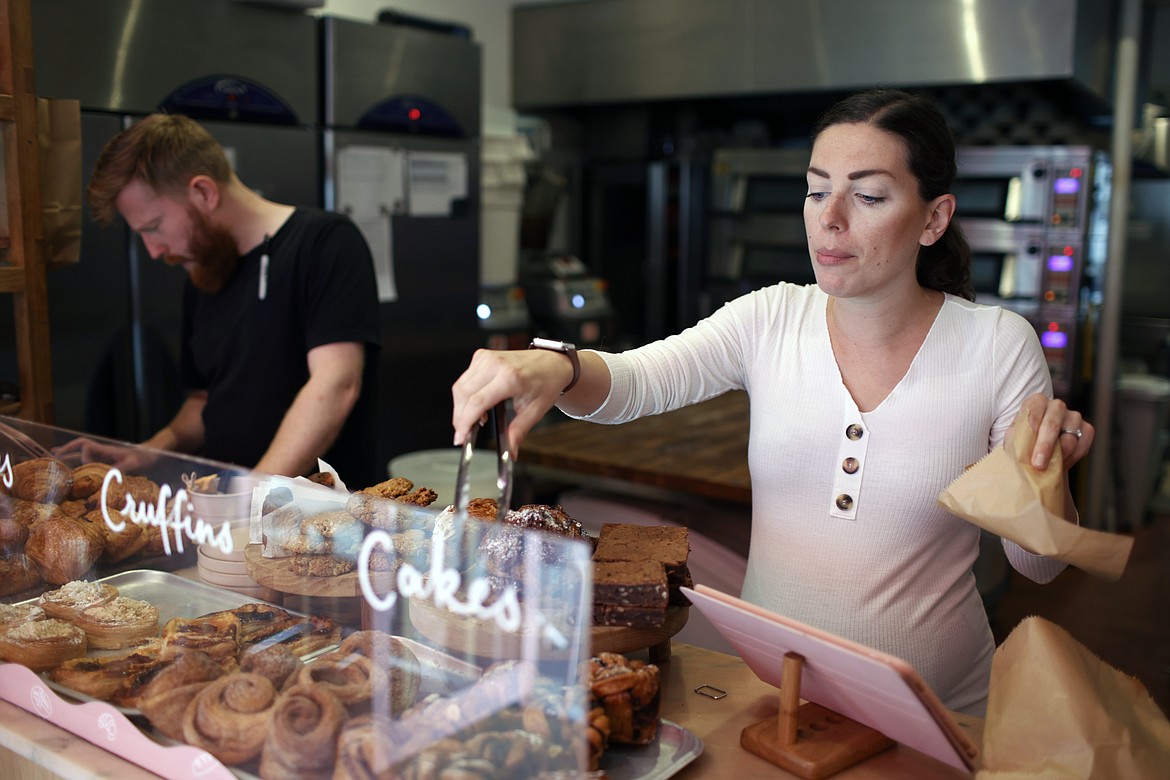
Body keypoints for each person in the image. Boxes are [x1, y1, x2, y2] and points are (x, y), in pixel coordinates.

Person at [451, 88, 1095, 716]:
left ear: (934, 218)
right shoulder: (772, 317)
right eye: (817, 190)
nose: (830, 217)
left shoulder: (996, 345)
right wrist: (556, 365)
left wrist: (1047, 474)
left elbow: (1036, 566)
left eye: (868, 195)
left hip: (933, 716)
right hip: (773, 695)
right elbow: (637, 380)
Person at [78, 113, 382, 488]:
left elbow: (335, 383)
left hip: (324, 520)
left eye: (153, 227)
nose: (153, 251)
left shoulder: (325, 243)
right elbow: (207, 399)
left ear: (204, 192)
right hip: (230, 512)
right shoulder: (204, 270)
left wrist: (248, 494)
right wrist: (153, 449)